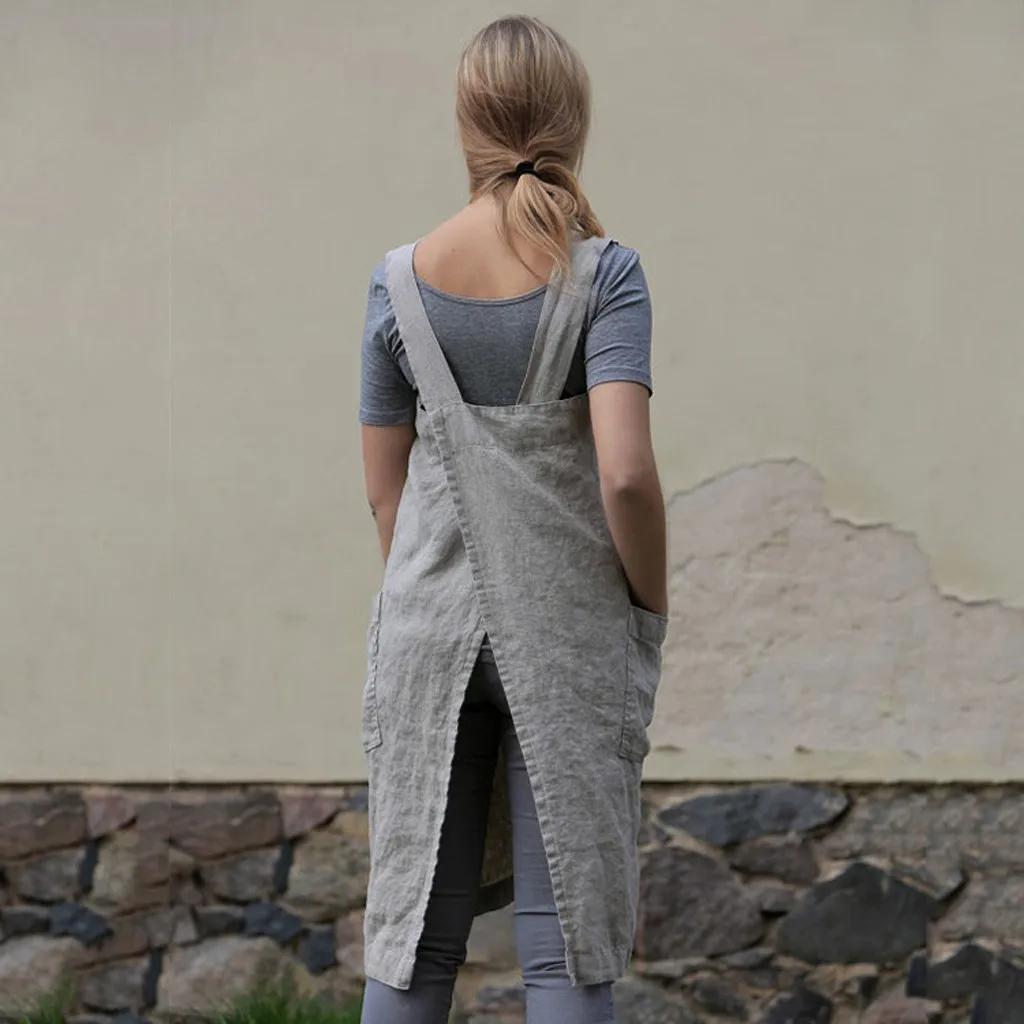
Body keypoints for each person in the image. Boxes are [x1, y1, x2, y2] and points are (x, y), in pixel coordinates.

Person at [357, 15, 668, 1024]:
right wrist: (648, 607)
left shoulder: (396, 284)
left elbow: (385, 495)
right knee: (565, 946)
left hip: (426, 629)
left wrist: (443, 592)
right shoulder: (605, 275)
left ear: (467, 125)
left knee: (414, 941)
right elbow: (625, 474)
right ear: (574, 124)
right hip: (565, 629)